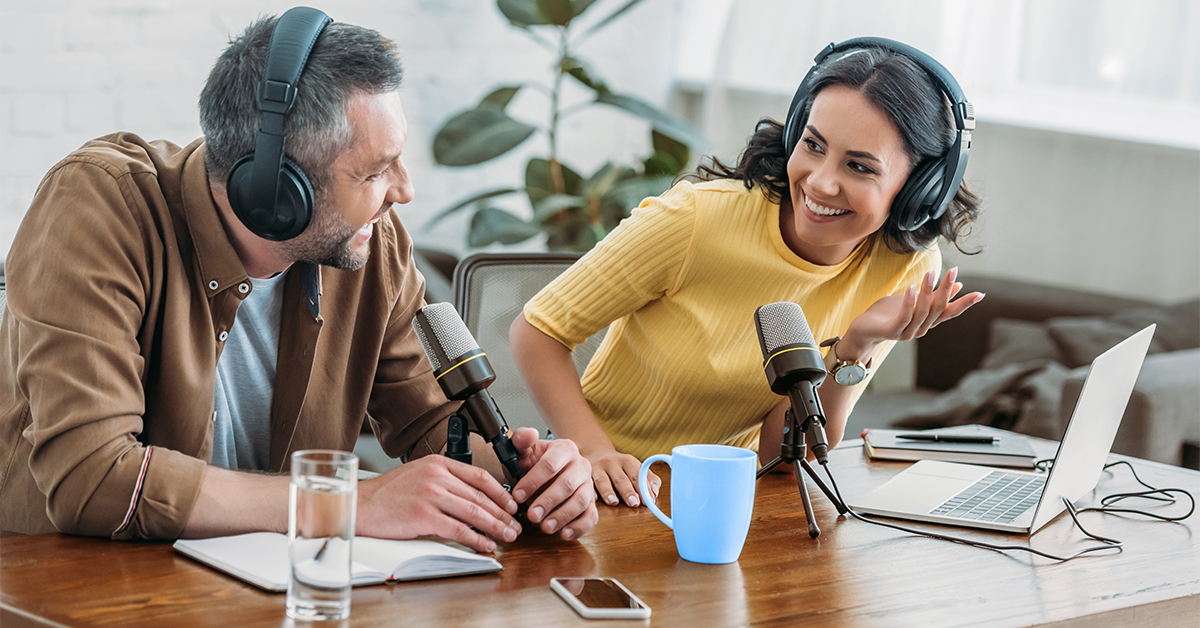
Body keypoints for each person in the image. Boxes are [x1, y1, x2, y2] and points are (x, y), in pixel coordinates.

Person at [0, 9, 597, 551]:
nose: (405, 191)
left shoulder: (371, 244)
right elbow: (92, 478)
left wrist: (533, 475)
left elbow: (437, 427)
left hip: (281, 588)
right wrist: (350, 502)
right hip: (80, 589)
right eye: (374, 171)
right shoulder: (99, 206)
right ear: (276, 193)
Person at [510, 39, 985, 508]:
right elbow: (538, 330)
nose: (820, 181)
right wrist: (594, 452)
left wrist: (854, 347)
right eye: (813, 145)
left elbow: (781, 458)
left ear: (919, 189)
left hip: (726, 499)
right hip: (604, 489)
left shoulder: (906, 270)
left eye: (859, 166)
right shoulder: (694, 221)